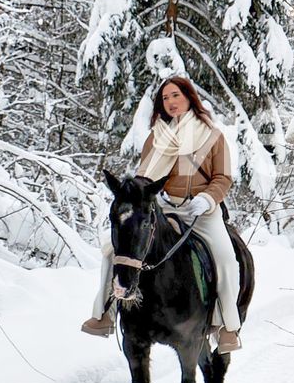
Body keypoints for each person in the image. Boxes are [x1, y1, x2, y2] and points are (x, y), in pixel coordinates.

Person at [83, 75, 244, 352]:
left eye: (175, 96)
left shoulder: (213, 136)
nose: (170, 102)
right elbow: (145, 176)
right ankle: (105, 314)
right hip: (165, 206)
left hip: (202, 211)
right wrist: (137, 196)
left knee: (226, 259)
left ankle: (225, 326)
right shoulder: (156, 137)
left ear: (189, 97)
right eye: (165, 98)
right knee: (114, 250)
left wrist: (207, 199)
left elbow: (224, 177)